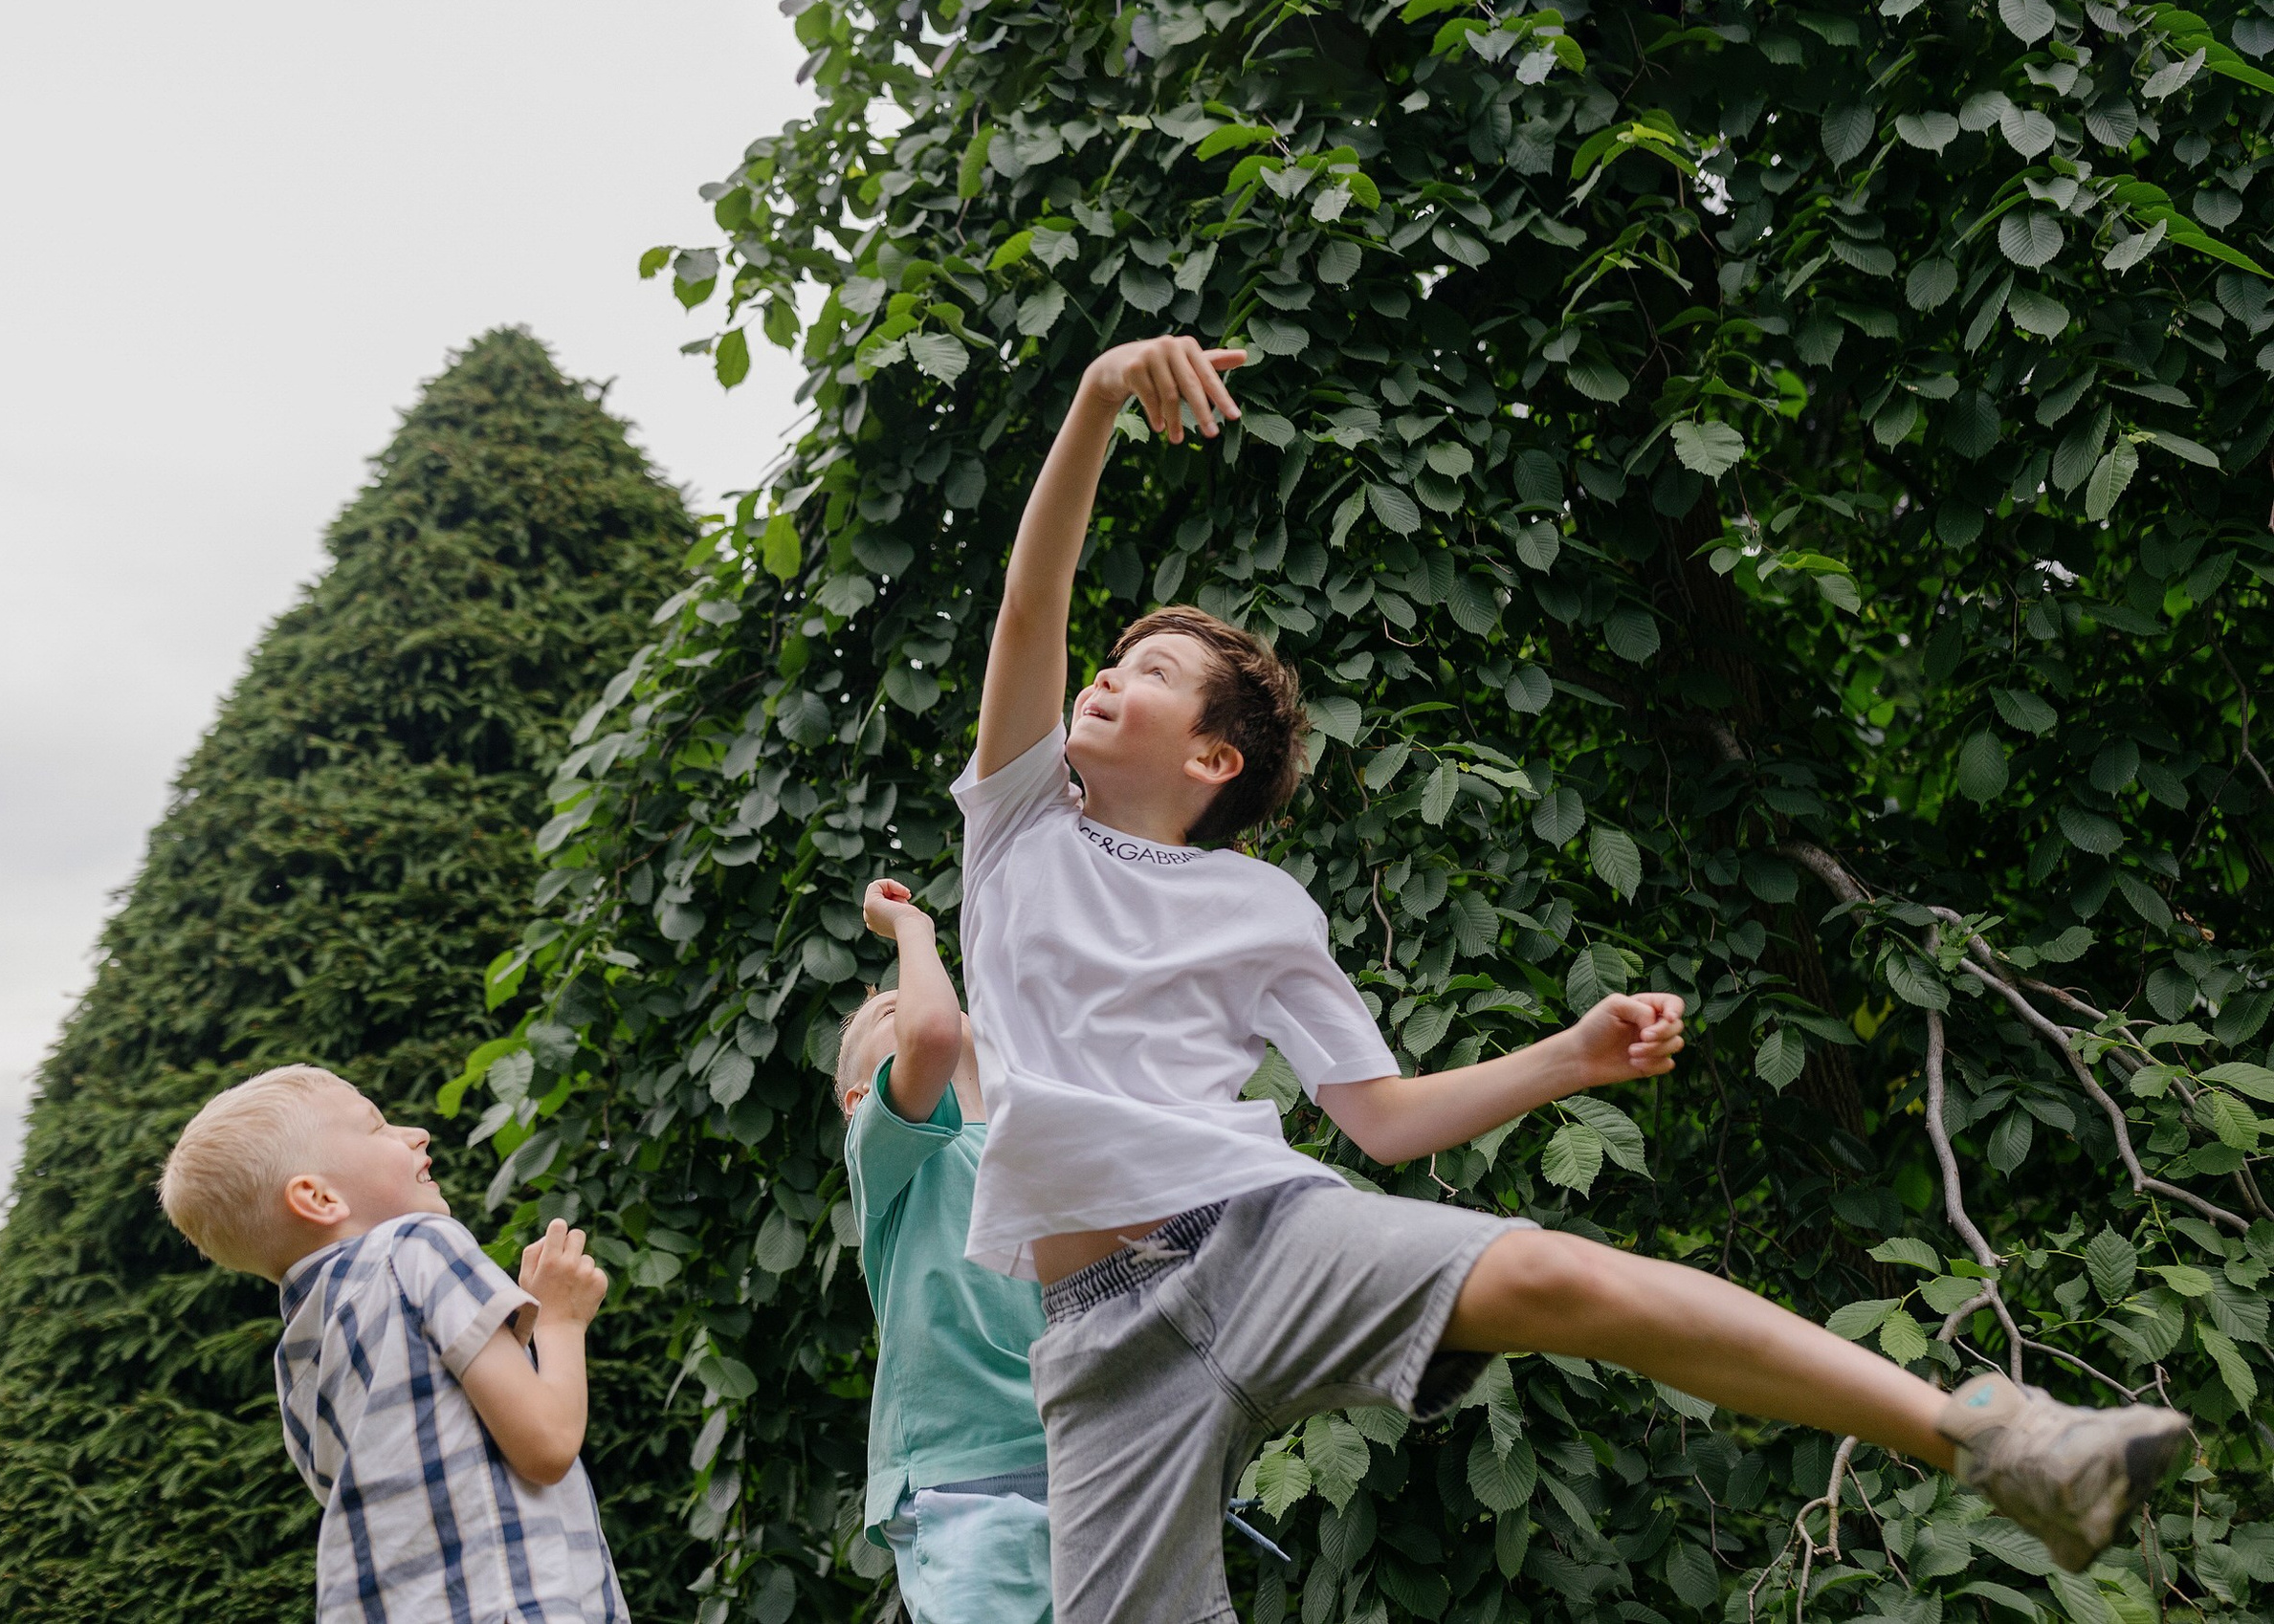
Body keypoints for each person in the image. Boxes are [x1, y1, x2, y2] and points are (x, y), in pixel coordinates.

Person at [953, 332, 2191, 1623]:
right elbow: (1030, 603)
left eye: (1149, 671)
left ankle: (1996, 1436)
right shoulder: (1020, 825)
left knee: (1557, 1276)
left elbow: (1380, 1117)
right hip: (1098, 1344)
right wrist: (1098, 394)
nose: (1100, 670)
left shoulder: (1262, 904)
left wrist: (1572, 1058)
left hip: (1256, 1236)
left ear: (1214, 760)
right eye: (1109, 658)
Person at [157, 1064, 628, 1624]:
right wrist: (559, 1321)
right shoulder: (419, 1247)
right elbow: (546, 1444)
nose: (416, 1134)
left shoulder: (298, 1362)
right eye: (376, 1127)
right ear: (318, 1197)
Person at [833, 876, 1052, 1624]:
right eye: (888, 1010)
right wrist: (911, 930)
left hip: (1090, 1468)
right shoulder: (892, 1153)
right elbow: (931, 1035)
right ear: (862, 1102)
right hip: (964, 1483)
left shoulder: (1041, 1145)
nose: (921, 1002)